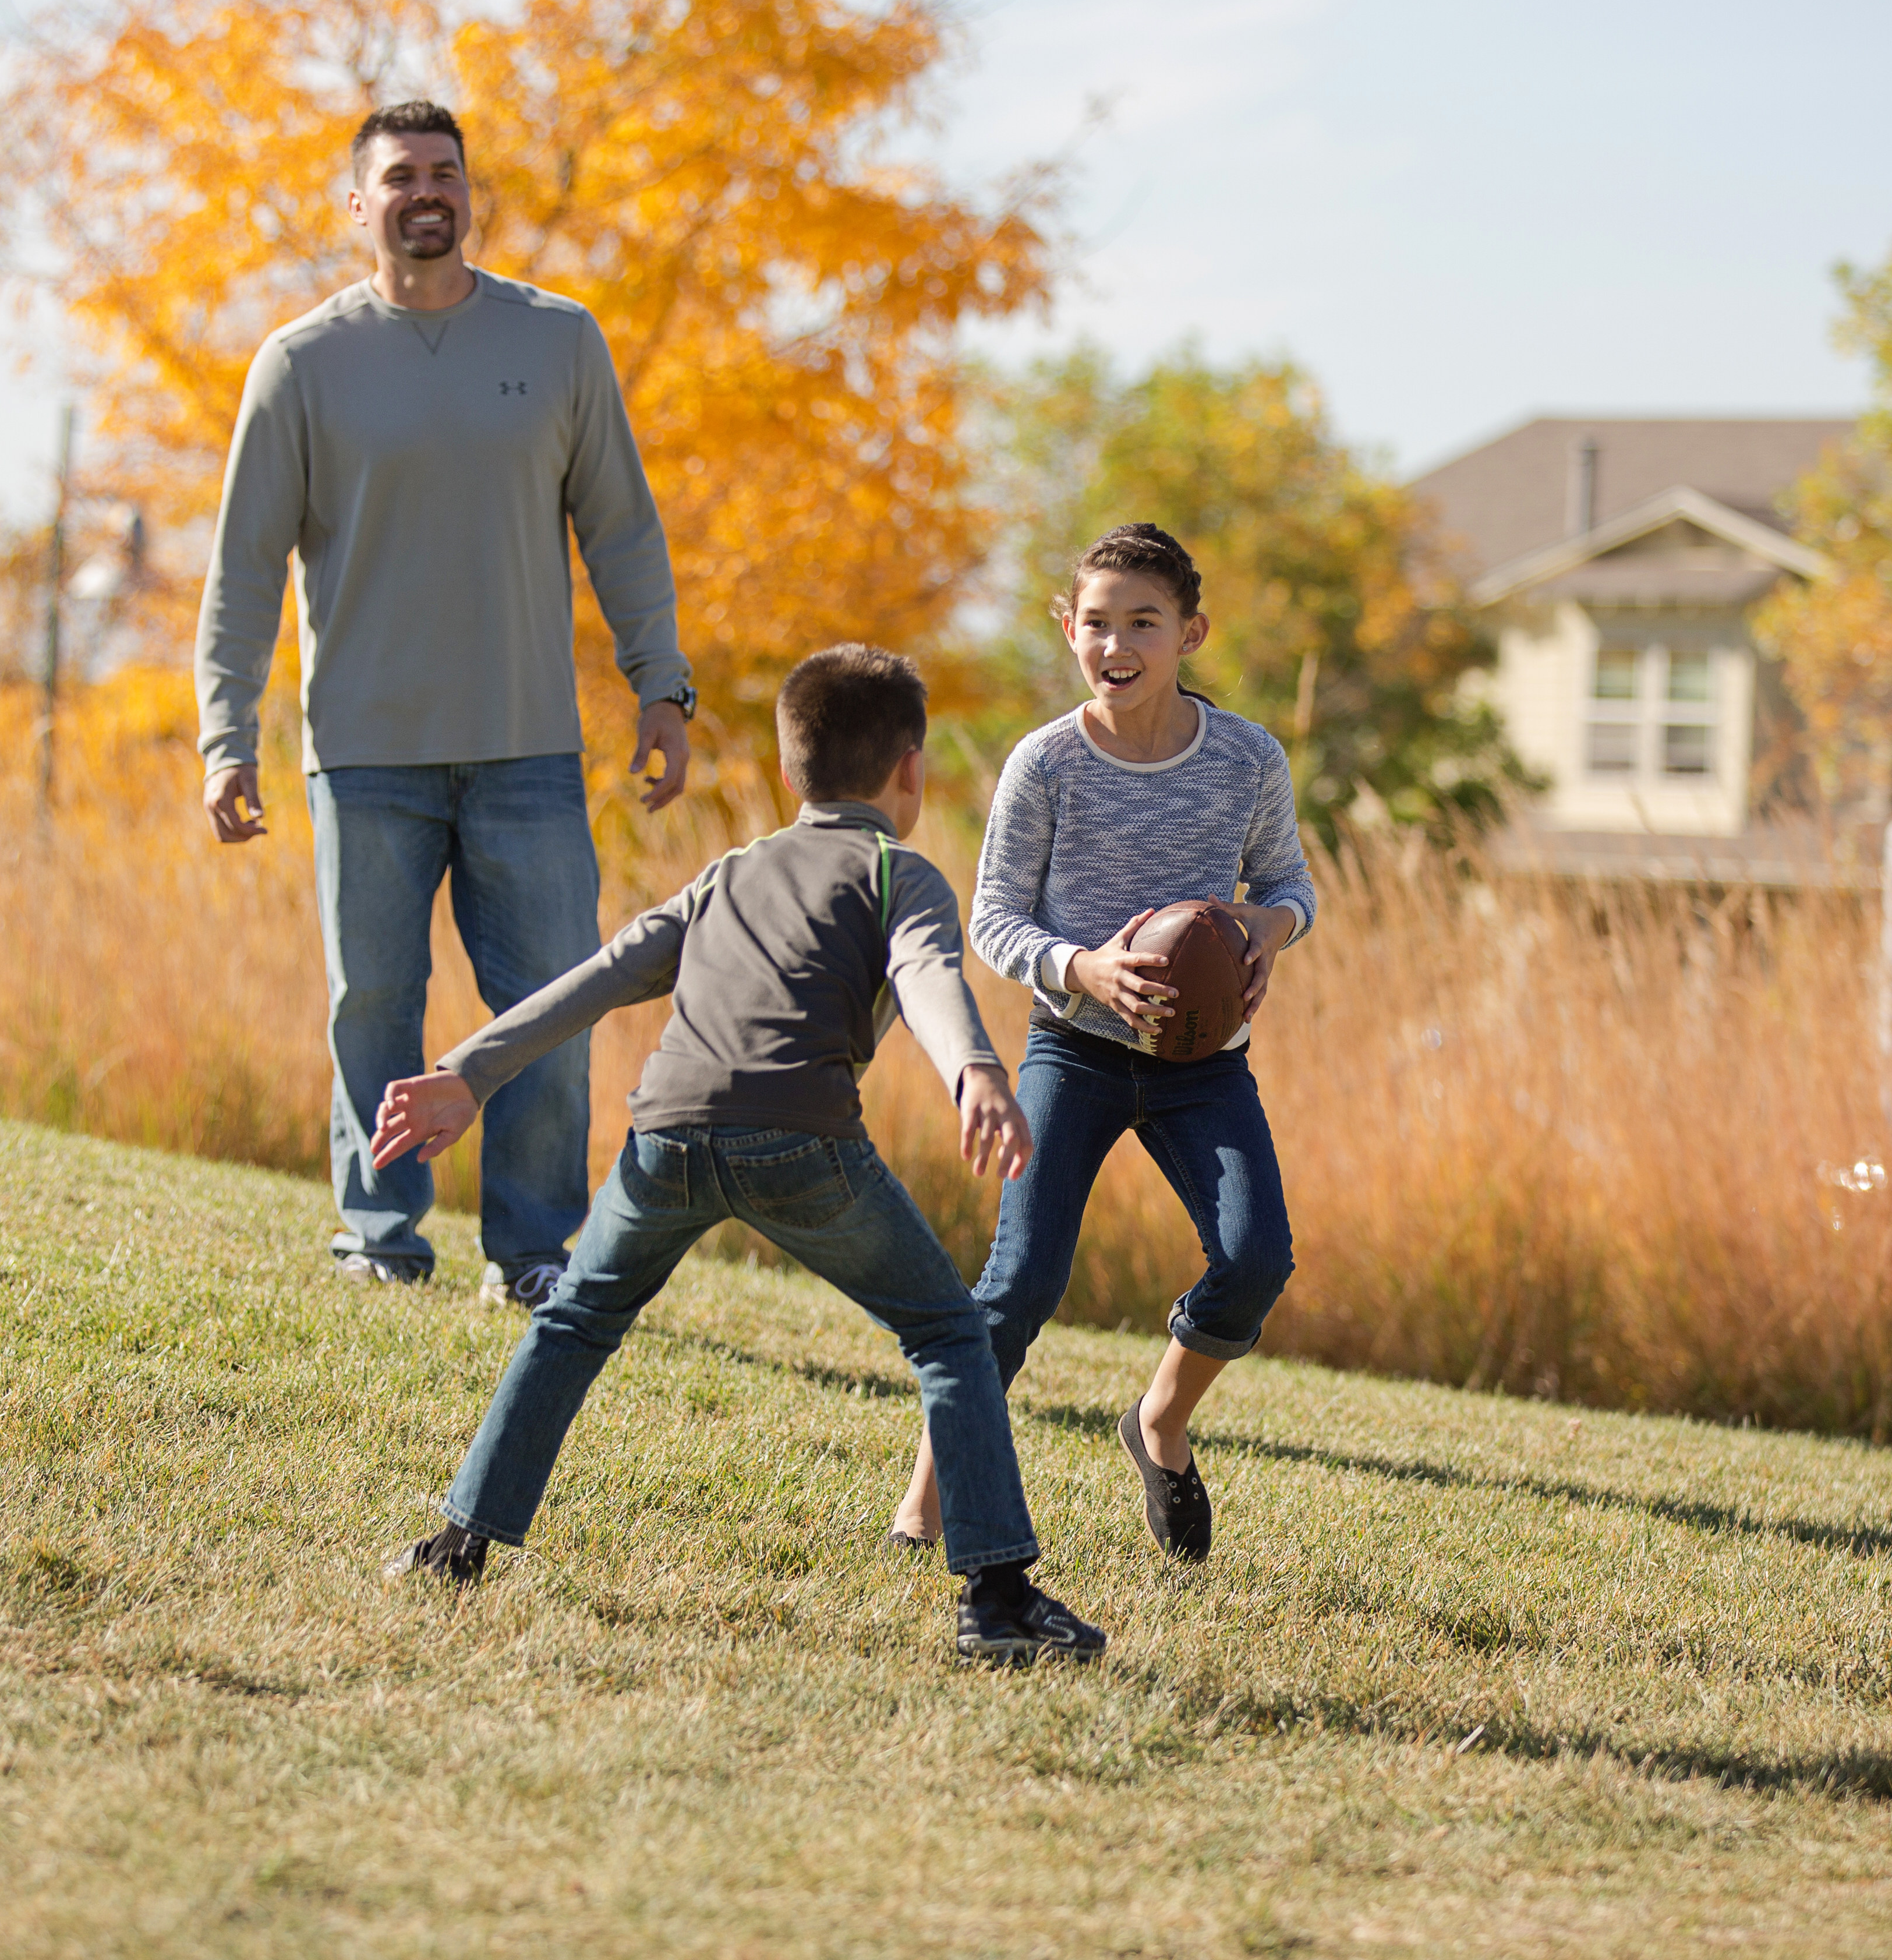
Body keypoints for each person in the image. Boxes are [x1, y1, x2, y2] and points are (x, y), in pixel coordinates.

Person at [369, 646, 1105, 1665]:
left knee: (574, 1323)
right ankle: (999, 1599)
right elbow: (929, 974)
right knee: (948, 1335)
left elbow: (598, 976)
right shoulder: (901, 870)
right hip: (802, 1142)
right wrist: (974, 1069)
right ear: (912, 770)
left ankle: (460, 1543)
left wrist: (468, 1071)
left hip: (664, 1136)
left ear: (793, 767)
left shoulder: (727, 873)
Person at [194, 100, 696, 1306]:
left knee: (548, 1006)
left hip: (526, 747)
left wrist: (661, 689)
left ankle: (532, 1249)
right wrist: (228, 739)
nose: (429, 191)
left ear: (472, 196)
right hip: (363, 753)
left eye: (447, 173)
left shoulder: (561, 341)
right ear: (356, 206)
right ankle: (380, 1231)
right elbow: (244, 569)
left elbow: (623, 530)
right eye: (402, 175)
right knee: (373, 1002)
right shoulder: (302, 363)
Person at [885, 523, 1315, 1562]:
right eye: (1096, 622)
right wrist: (1083, 968)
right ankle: (924, 1507)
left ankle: (1160, 1424)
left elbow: (1290, 886)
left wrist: (1267, 927)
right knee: (1022, 1280)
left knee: (1257, 1259)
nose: (1116, 643)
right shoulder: (1045, 764)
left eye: (1143, 623)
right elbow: (993, 920)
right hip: (1073, 1053)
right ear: (1065, 629)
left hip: (1202, 1065)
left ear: (1191, 633)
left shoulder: (1250, 758)